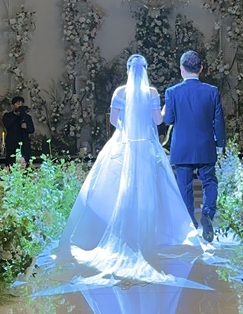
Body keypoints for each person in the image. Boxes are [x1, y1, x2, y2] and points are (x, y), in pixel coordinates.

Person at [56, 54, 201, 284]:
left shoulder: (120, 92)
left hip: (124, 144)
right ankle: (151, 235)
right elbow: (157, 121)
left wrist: (126, 127)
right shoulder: (151, 93)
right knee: (152, 190)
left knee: (117, 188)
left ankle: (121, 235)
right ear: (145, 70)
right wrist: (162, 112)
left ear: (127, 70)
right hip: (146, 145)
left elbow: (114, 121)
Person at [163, 50, 226, 242]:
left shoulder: (172, 92)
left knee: (185, 187)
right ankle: (207, 213)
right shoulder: (212, 91)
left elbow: (168, 120)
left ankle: (189, 223)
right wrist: (220, 143)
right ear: (201, 68)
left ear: (181, 69)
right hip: (205, 145)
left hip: (182, 148)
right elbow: (218, 121)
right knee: (210, 182)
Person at [3, 96, 35, 166]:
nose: (20, 105)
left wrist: (26, 127)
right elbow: (7, 125)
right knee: (11, 163)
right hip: (12, 144)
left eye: (21, 103)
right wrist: (16, 115)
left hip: (24, 144)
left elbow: (32, 130)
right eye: (18, 103)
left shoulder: (27, 117)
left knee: (25, 163)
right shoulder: (8, 116)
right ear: (13, 105)